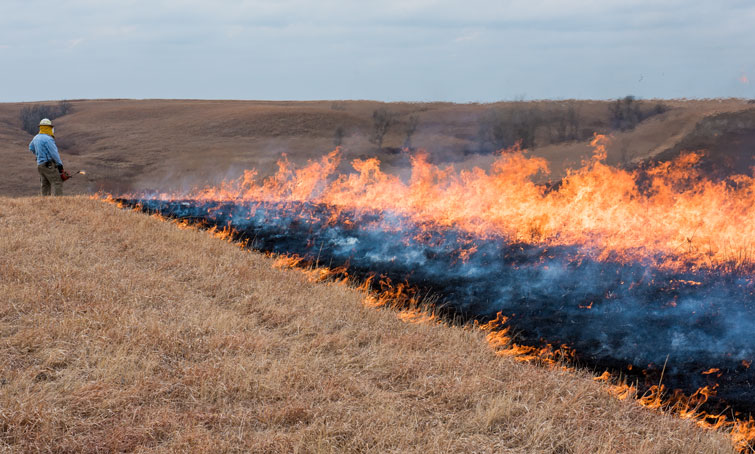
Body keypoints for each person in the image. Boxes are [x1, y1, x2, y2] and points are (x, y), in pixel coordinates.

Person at [29, 118, 65, 196]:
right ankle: (59, 202)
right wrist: (60, 164)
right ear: (48, 128)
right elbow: (54, 153)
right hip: (48, 165)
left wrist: (38, 154)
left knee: (45, 184)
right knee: (57, 183)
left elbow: (31, 147)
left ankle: (45, 202)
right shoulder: (48, 139)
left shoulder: (36, 137)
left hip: (40, 165)